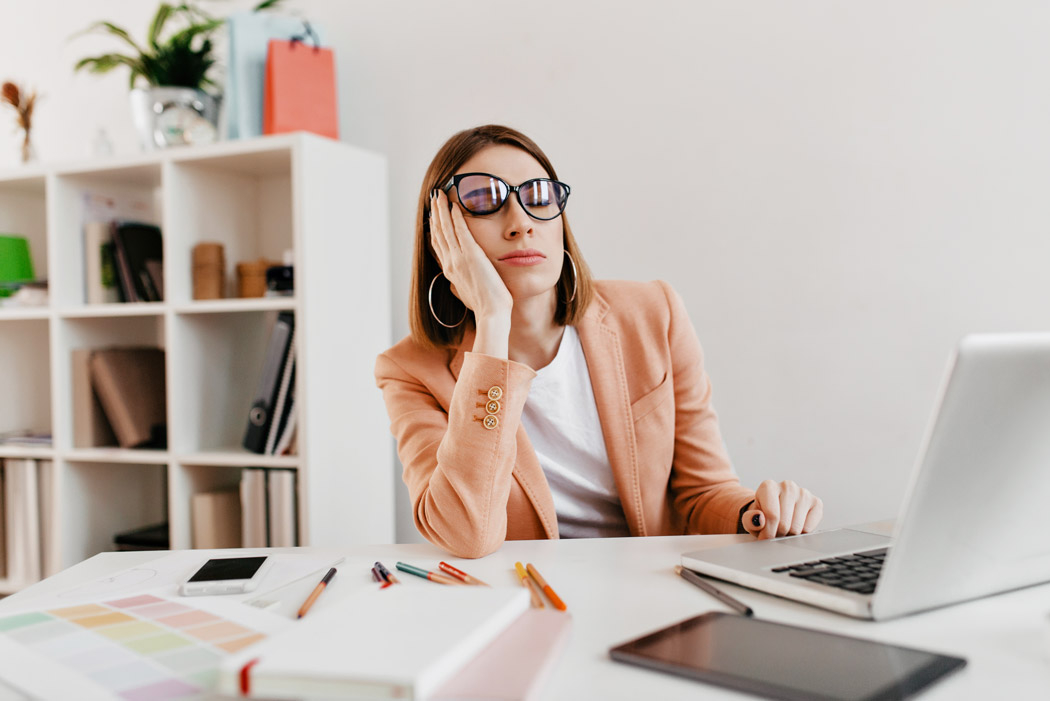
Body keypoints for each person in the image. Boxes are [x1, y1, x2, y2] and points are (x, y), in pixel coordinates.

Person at [375, 125, 823, 558]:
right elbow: (465, 533)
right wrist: (492, 321)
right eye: (484, 200)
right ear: (442, 235)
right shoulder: (410, 370)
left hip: (652, 589)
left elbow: (703, 492)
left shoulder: (653, 313)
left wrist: (755, 514)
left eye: (538, 197)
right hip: (525, 598)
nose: (521, 223)